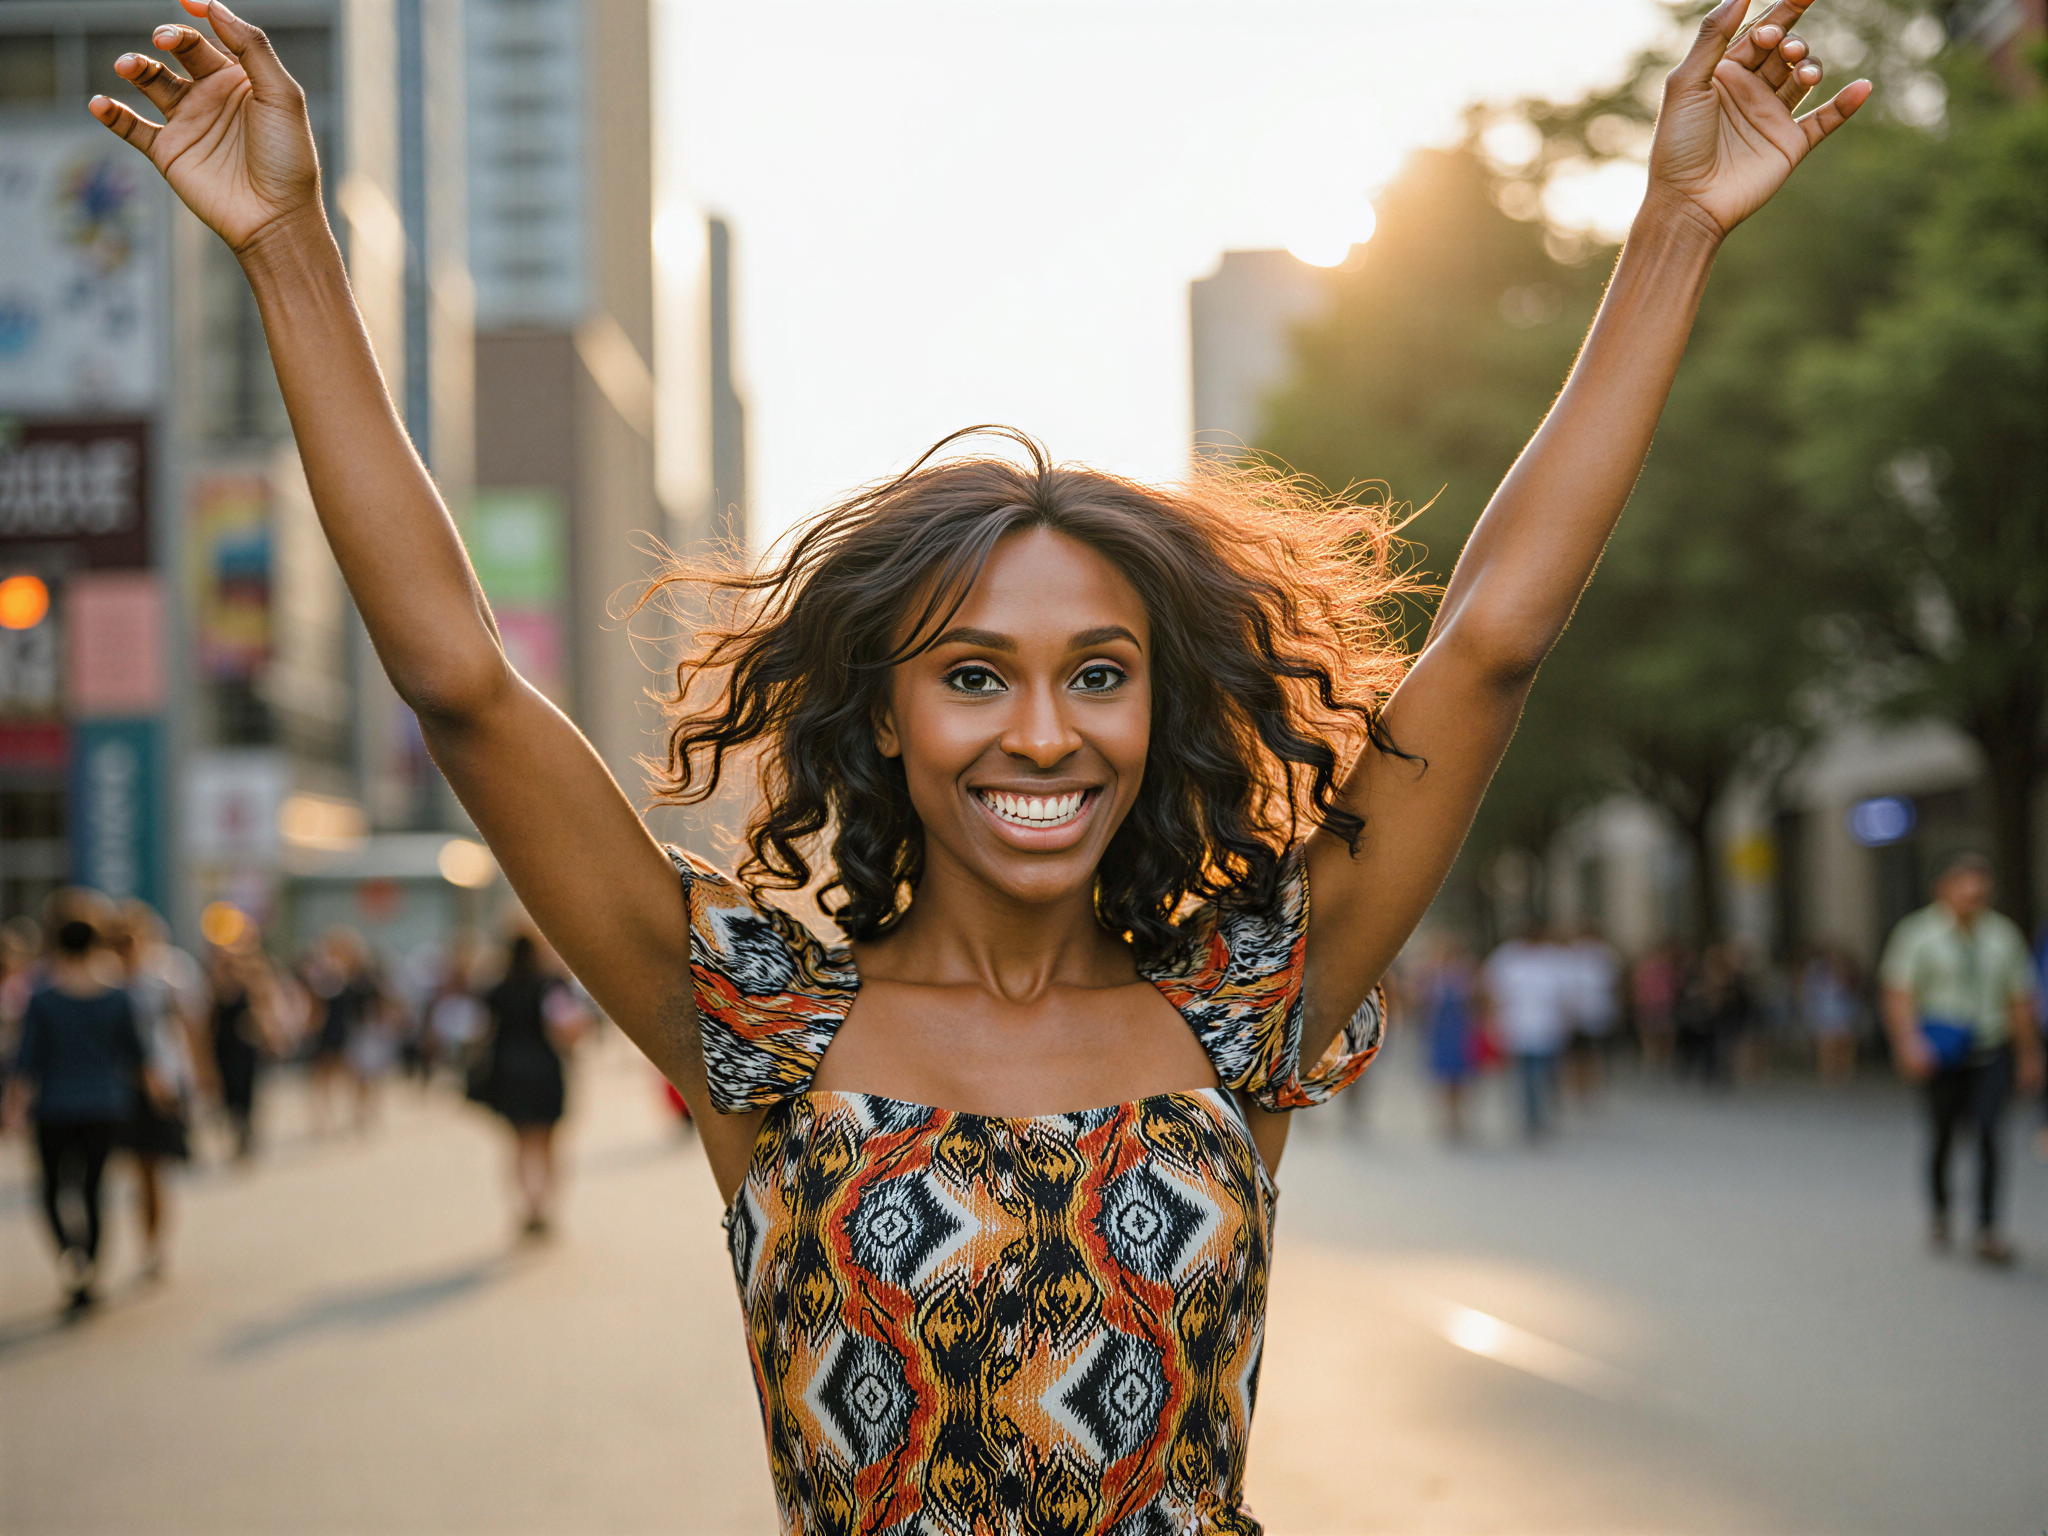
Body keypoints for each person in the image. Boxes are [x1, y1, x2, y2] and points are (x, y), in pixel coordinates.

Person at [90, 1, 1865, 1523]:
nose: (1041, 731)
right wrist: (289, 251)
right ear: (885, 715)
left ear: (1154, 711)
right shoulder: (753, 1019)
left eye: (1098, 672)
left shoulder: (1247, 995)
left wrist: (1673, 230)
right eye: (971, 676)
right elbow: (462, 683)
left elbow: (1485, 638)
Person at [1878, 853, 2043, 1265]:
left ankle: (1988, 1227)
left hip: (1990, 1048)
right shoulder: (1917, 933)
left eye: (1981, 893)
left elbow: (2019, 999)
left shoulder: (2003, 936)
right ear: (1944, 890)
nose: (1974, 899)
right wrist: (1908, 1043)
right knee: (1943, 1134)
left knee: (1989, 1134)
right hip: (1941, 1053)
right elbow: (1899, 993)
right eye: (1966, 891)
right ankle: (1940, 1211)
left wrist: (2029, 1055)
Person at [2, 917, 153, 1315]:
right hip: (105, 1104)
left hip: (54, 1107)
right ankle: (90, 1267)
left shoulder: (43, 998)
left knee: (52, 1189)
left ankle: (72, 1256)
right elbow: (137, 1055)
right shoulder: (117, 997)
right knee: (93, 1189)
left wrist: (13, 1106)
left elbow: (26, 1059)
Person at [108, 903, 205, 1280]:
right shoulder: (105, 979)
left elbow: (191, 1028)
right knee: (132, 1170)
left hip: (160, 1082)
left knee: (151, 1167)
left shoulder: (168, 975)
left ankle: (153, 1246)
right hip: (114, 1084)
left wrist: (200, 1078)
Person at [477, 934, 582, 1237]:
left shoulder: (496, 987)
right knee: (548, 1143)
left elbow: (481, 1030)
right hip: (545, 1070)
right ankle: (544, 1206)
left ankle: (528, 1206)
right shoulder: (551, 985)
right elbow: (566, 1029)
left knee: (520, 1144)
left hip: (508, 1072)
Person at [1482, 928, 1575, 1140]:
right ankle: (1529, 1117)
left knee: (1544, 1074)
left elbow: (1565, 994)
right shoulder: (1507, 957)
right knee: (1525, 1076)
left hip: (1547, 1028)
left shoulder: (1554, 957)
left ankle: (1540, 1113)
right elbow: (1492, 991)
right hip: (1517, 1029)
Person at [1414, 933, 1481, 1141]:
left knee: (1460, 1078)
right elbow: (1419, 1005)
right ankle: (1448, 1117)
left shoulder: (1465, 975)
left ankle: (1459, 1115)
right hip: (1440, 1034)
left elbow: (1478, 1002)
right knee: (1443, 1078)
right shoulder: (1431, 977)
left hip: (1461, 1032)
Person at [1563, 924, 1621, 1106]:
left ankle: (1592, 1086)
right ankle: (1579, 1087)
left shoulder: (1605, 955)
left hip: (1598, 1013)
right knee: (1578, 1054)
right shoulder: (1571, 956)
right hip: (1577, 1014)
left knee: (1595, 1053)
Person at [1798, 946, 1861, 1086]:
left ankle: (1845, 1071)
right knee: (1826, 1043)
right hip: (1826, 1012)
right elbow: (1810, 993)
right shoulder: (1817, 973)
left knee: (1845, 1043)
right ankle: (1828, 1072)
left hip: (1844, 1011)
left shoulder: (1847, 973)